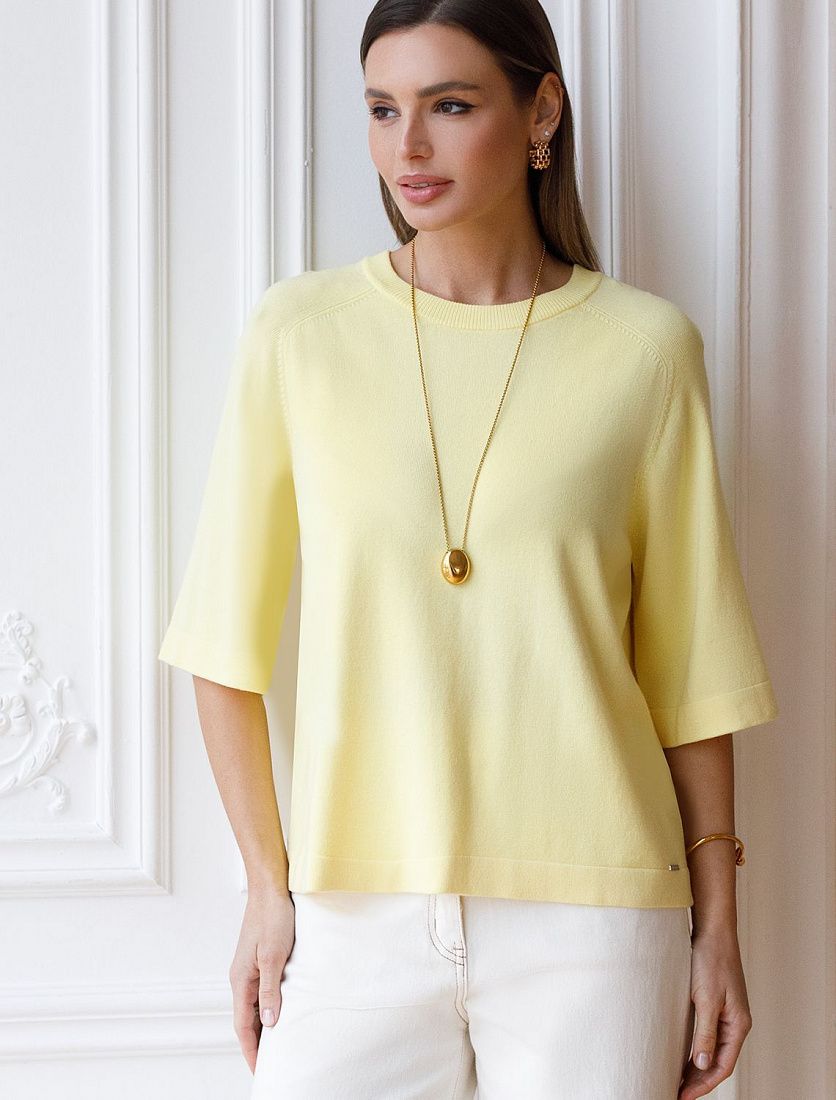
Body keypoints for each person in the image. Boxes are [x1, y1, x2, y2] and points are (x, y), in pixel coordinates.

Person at [158, 1, 780, 1097]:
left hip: (597, 921)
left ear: (541, 112)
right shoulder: (299, 336)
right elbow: (220, 646)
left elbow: (692, 679)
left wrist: (718, 925)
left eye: (449, 105)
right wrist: (266, 885)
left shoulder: (645, 350)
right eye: (381, 109)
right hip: (352, 914)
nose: (408, 146)